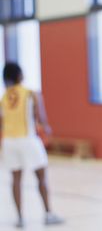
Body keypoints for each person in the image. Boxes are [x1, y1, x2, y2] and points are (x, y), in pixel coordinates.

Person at [0, 63, 64, 228]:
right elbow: (40, 118)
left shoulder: (4, 98)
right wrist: (47, 130)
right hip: (28, 139)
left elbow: (1, 123)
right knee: (41, 177)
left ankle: (20, 217)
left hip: (9, 141)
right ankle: (48, 213)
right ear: (20, 75)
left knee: (15, 180)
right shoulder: (31, 94)